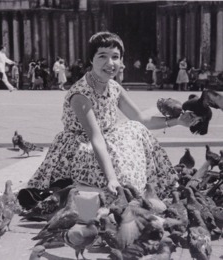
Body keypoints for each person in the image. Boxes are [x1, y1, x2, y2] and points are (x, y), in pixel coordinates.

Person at [25, 31, 200, 203]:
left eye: (115, 57)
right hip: (80, 148)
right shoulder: (80, 94)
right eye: (102, 56)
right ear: (91, 59)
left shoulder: (114, 86)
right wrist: (111, 179)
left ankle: (151, 188)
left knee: (136, 128)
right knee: (120, 163)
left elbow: (141, 119)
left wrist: (177, 121)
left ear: (121, 61)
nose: (110, 63)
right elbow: (95, 138)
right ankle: (127, 192)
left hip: (105, 140)